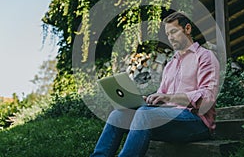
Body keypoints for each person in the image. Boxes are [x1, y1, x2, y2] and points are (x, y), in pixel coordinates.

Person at [90, 11, 220, 157]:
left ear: (187, 29)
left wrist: (170, 98)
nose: (170, 37)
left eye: (174, 32)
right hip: (169, 120)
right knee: (117, 115)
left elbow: (208, 98)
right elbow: (162, 97)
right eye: (168, 34)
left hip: (196, 122)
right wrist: (149, 100)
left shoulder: (205, 57)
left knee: (144, 114)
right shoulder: (170, 65)